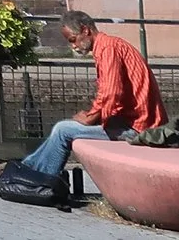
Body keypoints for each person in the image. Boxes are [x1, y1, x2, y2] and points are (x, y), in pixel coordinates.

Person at [12, 10, 168, 183]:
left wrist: (90, 118)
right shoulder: (109, 46)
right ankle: (27, 170)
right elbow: (112, 95)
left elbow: (111, 93)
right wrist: (93, 115)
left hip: (138, 128)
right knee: (63, 128)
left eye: (73, 39)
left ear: (85, 30)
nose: (73, 46)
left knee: (63, 130)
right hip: (133, 122)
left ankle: (41, 180)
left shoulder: (108, 49)